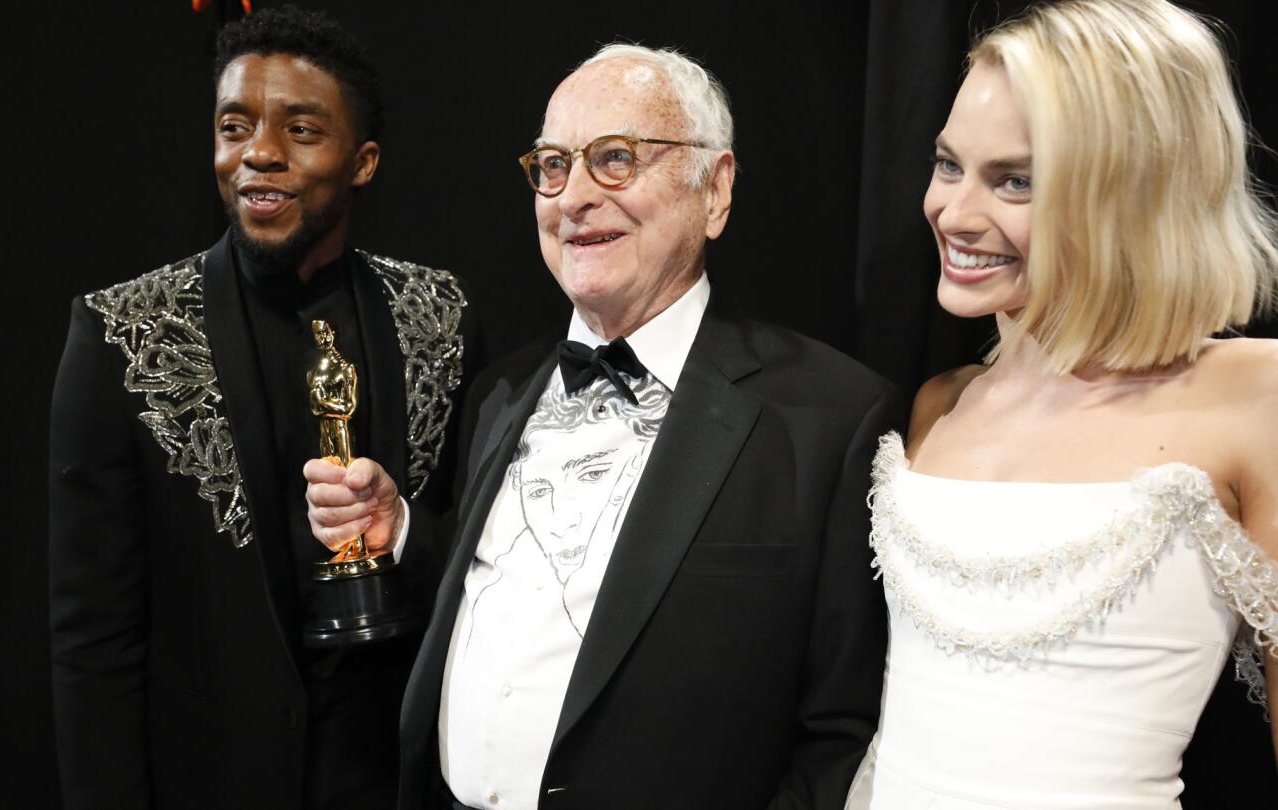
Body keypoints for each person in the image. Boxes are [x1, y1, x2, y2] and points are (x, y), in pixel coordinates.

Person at [307, 43, 904, 809]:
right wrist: (401, 531)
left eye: (615, 158)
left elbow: (840, 730)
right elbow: (504, 594)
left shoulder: (833, 417)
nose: (573, 196)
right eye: (552, 166)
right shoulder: (498, 392)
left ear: (714, 189)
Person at [847, 1, 1278, 807]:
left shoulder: (1258, 398)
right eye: (948, 165)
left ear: (1137, 192)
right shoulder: (941, 403)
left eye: (1014, 181)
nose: (953, 213)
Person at [48, 7, 481, 809]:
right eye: (234, 124)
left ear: (363, 161)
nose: (259, 154)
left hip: (395, 778)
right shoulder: (121, 334)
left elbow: (472, 558)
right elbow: (92, 639)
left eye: (302, 130)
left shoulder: (440, 315)